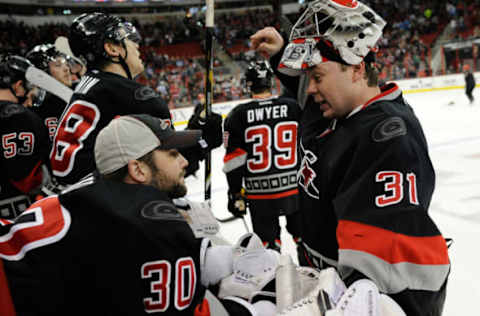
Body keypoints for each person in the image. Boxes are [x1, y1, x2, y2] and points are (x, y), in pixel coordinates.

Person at [250, 0, 450, 315]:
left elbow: (393, 291)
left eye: (317, 76)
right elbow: (312, 87)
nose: (310, 89)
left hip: (347, 298)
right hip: (322, 279)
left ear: (357, 67)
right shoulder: (338, 106)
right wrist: (281, 54)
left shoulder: (387, 139)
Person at [1, 114, 279, 316]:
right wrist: (259, 308)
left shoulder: (96, 194)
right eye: (172, 154)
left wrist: (213, 256)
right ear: (138, 170)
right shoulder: (147, 219)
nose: (184, 161)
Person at [50, 12, 222, 185]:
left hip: (70, 198)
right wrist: (203, 138)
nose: (137, 44)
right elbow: (165, 173)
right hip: (105, 202)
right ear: (112, 49)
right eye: (129, 37)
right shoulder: (137, 98)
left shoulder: (86, 86)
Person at [223, 60, 302, 252]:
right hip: (296, 189)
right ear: (271, 82)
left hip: (260, 195)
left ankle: (274, 282)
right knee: (305, 240)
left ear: (248, 85)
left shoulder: (237, 115)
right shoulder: (293, 107)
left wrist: (235, 192)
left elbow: (234, 159)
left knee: (268, 248)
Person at [0, 54, 51, 219]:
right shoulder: (26, 118)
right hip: (22, 214)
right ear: (19, 86)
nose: (30, 100)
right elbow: (28, 181)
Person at [26, 43, 73, 142]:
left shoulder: (77, 95)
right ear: (42, 73)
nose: (66, 69)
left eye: (66, 64)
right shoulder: (34, 106)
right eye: (58, 65)